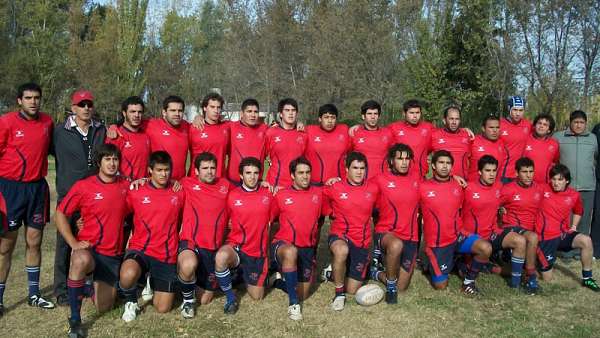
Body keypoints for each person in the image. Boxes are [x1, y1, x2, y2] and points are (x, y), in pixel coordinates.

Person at [54, 144, 130, 337]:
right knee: (80, 260)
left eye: (115, 159)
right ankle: (75, 319)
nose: (112, 163)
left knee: (104, 307)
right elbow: (61, 213)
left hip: (112, 254)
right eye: (107, 159)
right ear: (99, 162)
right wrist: (73, 243)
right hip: (89, 249)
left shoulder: (126, 185)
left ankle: (87, 286)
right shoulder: (84, 186)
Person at [0, 83, 55, 314]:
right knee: (5, 247)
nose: (33, 101)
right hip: (10, 189)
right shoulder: (6, 122)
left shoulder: (47, 122)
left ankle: (34, 294)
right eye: (28, 98)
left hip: (37, 189)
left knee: (35, 242)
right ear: (19, 100)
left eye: (37, 98)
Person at [53, 89, 107, 305]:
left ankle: (88, 284)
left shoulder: (101, 130)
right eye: (81, 104)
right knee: (65, 244)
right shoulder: (59, 132)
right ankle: (61, 289)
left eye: (89, 104)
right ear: (73, 107)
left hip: (93, 197)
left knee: (90, 239)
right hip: (69, 195)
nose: (86, 108)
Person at [119, 151, 185, 322]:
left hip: (166, 253)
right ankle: (131, 301)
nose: (164, 174)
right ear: (150, 170)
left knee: (162, 308)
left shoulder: (179, 191)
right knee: (127, 275)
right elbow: (117, 213)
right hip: (141, 249)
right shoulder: (137, 191)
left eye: (167, 170)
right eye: (159, 170)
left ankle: (151, 280)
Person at [420, 150, 492, 294]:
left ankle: (468, 282)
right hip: (438, 243)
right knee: (441, 286)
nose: (445, 166)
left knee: (485, 248)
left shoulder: (459, 185)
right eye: (441, 163)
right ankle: (452, 262)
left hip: (458, 235)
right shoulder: (422, 187)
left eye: (448, 163)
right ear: (433, 166)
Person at [214, 157, 274, 314]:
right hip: (237, 247)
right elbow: (223, 221)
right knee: (221, 257)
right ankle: (231, 300)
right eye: (248, 173)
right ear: (241, 175)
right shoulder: (231, 195)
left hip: (257, 252)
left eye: (256, 173)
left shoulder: (268, 194)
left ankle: (242, 276)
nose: (252, 177)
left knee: (257, 296)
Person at [177, 152, 232, 318]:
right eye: (205, 168)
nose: (209, 171)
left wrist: (264, 183)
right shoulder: (185, 183)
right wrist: (142, 180)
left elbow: (244, 193)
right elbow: (162, 184)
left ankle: (186, 282)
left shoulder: (225, 185)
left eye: (213, 168)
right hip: (191, 242)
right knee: (188, 265)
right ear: (196, 170)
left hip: (213, 247)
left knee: (205, 299)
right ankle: (187, 301)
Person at [270, 157, 326, 320]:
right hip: (284, 245)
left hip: (307, 248)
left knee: (303, 293)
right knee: (291, 252)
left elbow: (323, 217)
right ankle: (294, 304)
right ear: (292, 175)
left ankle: (277, 280)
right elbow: (270, 221)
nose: (305, 176)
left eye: (308, 172)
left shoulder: (318, 194)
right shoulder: (281, 195)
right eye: (300, 173)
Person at [323, 151, 379, 311]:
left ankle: (331, 272)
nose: (359, 172)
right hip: (340, 236)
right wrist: (331, 212)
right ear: (346, 169)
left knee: (353, 290)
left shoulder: (373, 189)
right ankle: (339, 294)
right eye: (355, 168)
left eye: (362, 168)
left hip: (362, 241)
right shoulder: (335, 187)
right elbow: (317, 195)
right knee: (341, 250)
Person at [462, 155, 527, 289]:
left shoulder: (499, 186)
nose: (491, 174)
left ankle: (515, 285)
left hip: (492, 233)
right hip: (472, 237)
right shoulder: (467, 188)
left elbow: (507, 199)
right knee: (465, 269)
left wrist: (502, 210)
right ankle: (479, 268)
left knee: (520, 241)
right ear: (479, 172)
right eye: (487, 170)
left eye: (494, 171)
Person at [536, 164, 600, 291]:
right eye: (553, 179)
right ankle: (535, 263)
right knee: (547, 279)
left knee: (586, 240)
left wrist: (574, 226)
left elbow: (578, 211)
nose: (555, 183)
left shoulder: (574, 195)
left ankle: (587, 279)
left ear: (567, 181)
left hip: (562, 234)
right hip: (545, 238)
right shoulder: (542, 189)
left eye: (560, 180)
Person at [370, 144, 420, 303]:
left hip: (411, 237)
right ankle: (390, 286)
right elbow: (359, 190)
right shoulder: (380, 179)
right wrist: (336, 181)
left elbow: (436, 185)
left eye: (407, 159)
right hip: (387, 232)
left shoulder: (417, 178)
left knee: (403, 286)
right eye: (399, 159)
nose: (404, 162)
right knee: (396, 245)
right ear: (391, 161)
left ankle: (375, 273)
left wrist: (454, 177)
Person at [554, 110, 597, 254]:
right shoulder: (559, 137)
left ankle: (581, 250)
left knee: (584, 220)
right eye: (576, 122)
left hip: (587, 186)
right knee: (567, 219)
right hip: (567, 187)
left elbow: (596, 157)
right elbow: (554, 158)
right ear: (570, 123)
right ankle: (566, 250)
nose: (579, 125)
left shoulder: (593, 138)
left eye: (582, 123)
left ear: (585, 123)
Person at [499, 157, 542, 294]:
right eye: (524, 172)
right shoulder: (507, 189)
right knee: (532, 237)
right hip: (511, 229)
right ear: (516, 173)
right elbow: (493, 205)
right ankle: (528, 277)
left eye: (531, 171)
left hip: (529, 230)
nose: (529, 175)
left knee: (547, 275)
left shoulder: (538, 189)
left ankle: (494, 269)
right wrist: (500, 212)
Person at [143, 96, 190, 180]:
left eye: (180, 111)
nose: (177, 114)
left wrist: (199, 117)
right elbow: (129, 122)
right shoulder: (152, 125)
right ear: (164, 112)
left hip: (179, 183)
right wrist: (114, 126)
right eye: (173, 110)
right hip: (158, 182)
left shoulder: (187, 126)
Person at [265, 98, 307, 189]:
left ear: (297, 113)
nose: (291, 113)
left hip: (297, 186)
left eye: (293, 110)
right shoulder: (271, 133)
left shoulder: (304, 135)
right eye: (287, 110)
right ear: (280, 114)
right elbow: (260, 156)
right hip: (275, 185)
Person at [105, 96, 150, 180]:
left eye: (139, 112)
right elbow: (107, 165)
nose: (136, 115)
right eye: (132, 112)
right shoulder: (115, 135)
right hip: (124, 187)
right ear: (124, 113)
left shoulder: (146, 134)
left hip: (143, 187)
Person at [304, 104, 350, 186]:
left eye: (333, 117)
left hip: (339, 183)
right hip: (315, 184)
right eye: (326, 117)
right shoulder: (309, 130)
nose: (329, 121)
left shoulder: (344, 130)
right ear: (319, 119)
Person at [388, 99, 433, 177]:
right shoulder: (394, 128)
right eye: (411, 113)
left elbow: (443, 137)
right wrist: (360, 128)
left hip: (421, 176)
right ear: (404, 113)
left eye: (417, 113)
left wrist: (461, 131)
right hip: (400, 176)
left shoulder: (428, 128)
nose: (415, 116)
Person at [226, 99, 268, 183]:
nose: (253, 115)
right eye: (249, 111)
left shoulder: (265, 129)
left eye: (255, 112)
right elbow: (212, 124)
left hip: (255, 182)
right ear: (241, 113)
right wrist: (199, 117)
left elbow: (283, 129)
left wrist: (297, 124)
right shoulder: (231, 127)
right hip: (234, 182)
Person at [188, 93, 229, 178]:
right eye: (212, 107)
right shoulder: (193, 128)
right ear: (205, 108)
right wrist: (198, 116)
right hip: (197, 180)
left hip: (219, 179)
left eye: (218, 107)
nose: (216, 110)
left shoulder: (227, 127)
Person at [349, 100, 392, 179]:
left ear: (379, 116)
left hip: (383, 181)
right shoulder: (354, 133)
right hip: (361, 182)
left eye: (375, 114)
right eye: (369, 114)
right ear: (363, 116)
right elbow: (345, 157)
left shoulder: (388, 133)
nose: (373, 117)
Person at [431, 105, 471, 178]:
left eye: (457, 119)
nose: (454, 122)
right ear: (444, 120)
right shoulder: (434, 135)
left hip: (463, 184)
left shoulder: (467, 135)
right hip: (441, 183)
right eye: (451, 119)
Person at [499, 96, 532, 183]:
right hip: (502, 173)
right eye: (515, 110)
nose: (518, 113)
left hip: (520, 173)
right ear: (509, 109)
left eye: (521, 110)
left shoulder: (528, 125)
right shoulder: (500, 124)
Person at [468, 115, 507, 182]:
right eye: (491, 127)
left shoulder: (502, 143)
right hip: (474, 187)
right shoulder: (473, 141)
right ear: (483, 128)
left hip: (495, 188)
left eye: (497, 127)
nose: (495, 130)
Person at [522, 114, 559, 184]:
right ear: (535, 125)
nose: (541, 126)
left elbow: (555, 162)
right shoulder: (525, 140)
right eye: (539, 123)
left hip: (546, 185)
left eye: (545, 125)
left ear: (549, 130)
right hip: (527, 184)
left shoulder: (554, 144)